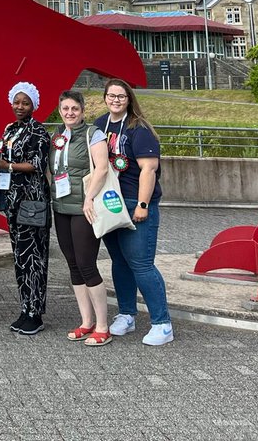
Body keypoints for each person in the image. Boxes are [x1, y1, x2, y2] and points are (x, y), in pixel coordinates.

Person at [93, 78, 174, 346]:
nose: (115, 100)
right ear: (105, 97)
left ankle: (162, 323)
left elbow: (148, 169)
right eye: (111, 95)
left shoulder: (139, 129)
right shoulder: (99, 126)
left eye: (121, 96)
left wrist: (142, 204)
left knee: (141, 264)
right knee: (120, 261)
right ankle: (127, 314)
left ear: (129, 99)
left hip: (133, 202)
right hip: (109, 202)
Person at [0, 80, 51, 336]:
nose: (20, 106)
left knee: (34, 257)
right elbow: (3, 153)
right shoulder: (10, 128)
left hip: (32, 201)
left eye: (25, 103)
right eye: (16, 102)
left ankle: (36, 313)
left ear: (34, 105)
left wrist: (8, 167)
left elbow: (37, 164)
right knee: (20, 258)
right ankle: (25, 309)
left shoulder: (39, 132)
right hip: (14, 201)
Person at [51, 89, 112, 346]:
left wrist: (89, 198)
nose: (70, 113)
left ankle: (103, 325)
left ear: (82, 110)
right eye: (65, 109)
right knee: (73, 265)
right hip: (61, 207)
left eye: (74, 108)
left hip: (84, 208)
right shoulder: (58, 135)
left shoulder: (93, 134)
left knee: (87, 264)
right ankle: (86, 321)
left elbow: (102, 168)